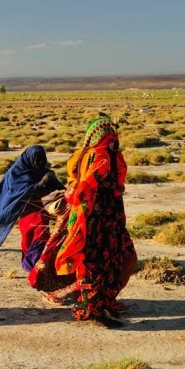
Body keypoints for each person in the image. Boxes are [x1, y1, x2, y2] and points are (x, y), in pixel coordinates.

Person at [52, 116, 138, 328]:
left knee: (120, 259)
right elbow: (86, 187)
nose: (114, 137)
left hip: (109, 219)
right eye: (109, 133)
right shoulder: (97, 157)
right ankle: (93, 311)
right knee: (96, 265)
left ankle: (104, 302)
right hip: (95, 220)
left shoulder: (107, 156)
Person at [0, 145, 63, 260]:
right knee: (30, 237)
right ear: (29, 158)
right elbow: (17, 192)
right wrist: (39, 185)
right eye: (37, 159)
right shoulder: (17, 173)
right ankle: (32, 264)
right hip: (26, 212)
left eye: (42, 159)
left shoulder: (45, 173)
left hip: (44, 212)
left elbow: (60, 189)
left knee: (41, 235)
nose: (40, 162)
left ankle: (36, 264)